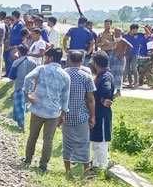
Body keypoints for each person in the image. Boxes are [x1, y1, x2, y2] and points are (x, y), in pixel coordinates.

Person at [22, 49, 71, 172]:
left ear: (50, 58)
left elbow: (28, 78)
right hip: (53, 112)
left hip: (38, 108)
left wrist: (28, 94)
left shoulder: (41, 69)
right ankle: (43, 163)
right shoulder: (65, 76)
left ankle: (28, 158)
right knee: (48, 139)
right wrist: (63, 113)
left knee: (33, 135)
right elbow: (65, 98)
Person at [61, 51, 97, 180]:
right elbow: (90, 99)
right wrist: (93, 116)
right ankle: (86, 172)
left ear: (69, 60)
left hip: (65, 115)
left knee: (67, 143)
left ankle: (68, 172)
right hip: (81, 115)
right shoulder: (86, 76)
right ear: (82, 61)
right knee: (83, 143)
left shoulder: (63, 75)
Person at [89, 52, 116, 176]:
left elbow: (107, 89)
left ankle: (101, 165)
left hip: (102, 112)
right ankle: (96, 162)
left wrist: (102, 99)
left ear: (96, 63)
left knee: (101, 140)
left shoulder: (105, 76)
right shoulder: (102, 74)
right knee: (96, 138)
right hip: (98, 112)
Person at [9, 44, 35, 131]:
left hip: (19, 86)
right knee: (23, 105)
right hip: (29, 87)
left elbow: (11, 76)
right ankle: (18, 121)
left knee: (20, 106)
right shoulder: (33, 63)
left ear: (19, 52)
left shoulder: (16, 62)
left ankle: (22, 125)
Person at [111, 27, 131, 96]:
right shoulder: (113, 40)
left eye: (118, 32)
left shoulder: (122, 40)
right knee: (112, 74)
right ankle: (112, 90)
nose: (117, 33)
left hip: (120, 59)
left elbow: (130, 46)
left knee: (119, 75)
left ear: (121, 33)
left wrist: (124, 54)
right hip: (113, 58)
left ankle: (118, 91)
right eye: (116, 31)